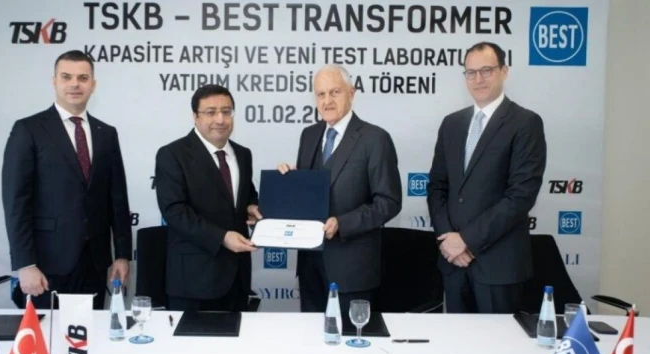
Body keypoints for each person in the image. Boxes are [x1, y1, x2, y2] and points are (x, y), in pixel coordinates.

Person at [1, 50, 132, 310]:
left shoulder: (106, 133)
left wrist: (122, 255)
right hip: (46, 266)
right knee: (47, 334)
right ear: (54, 81)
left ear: (93, 84)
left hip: (95, 264)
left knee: (92, 333)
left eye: (83, 78)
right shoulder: (28, 130)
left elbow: (117, 200)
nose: (75, 84)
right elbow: (16, 202)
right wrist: (26, 264)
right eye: (66, 77)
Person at [427, 42, 547, 314]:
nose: (478, 79)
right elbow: (437, 187)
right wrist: (448, 241)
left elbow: (520, 197)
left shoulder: (525, 123)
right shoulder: (451, 124)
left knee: (499, 341)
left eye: (486, 70)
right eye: (471, 72)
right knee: (456, 341)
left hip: (498, 266)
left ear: (504, 71)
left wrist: (466, 240)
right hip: (453, 263)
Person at [278, 65, 402, 314]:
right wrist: (291, 181)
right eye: (321, 94)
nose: (327, 101)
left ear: (352, 93)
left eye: (335, 92)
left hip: (351, 269)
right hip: (310, 264)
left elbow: (388, 202)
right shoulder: (309, 135)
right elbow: (310, 194)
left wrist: (342, 223)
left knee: (349, 336)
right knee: (310, 336)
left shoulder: (375, 138)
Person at [155, 84, 262, 312]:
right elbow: (175, 212)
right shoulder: (172, 154)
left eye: (226, 111)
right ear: (195, 116)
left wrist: (252, 205)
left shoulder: (243, 154)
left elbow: (245, 194)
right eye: (211, 112)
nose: (220, 119)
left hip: (238, 280)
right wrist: (222, 237)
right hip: (194, 281)